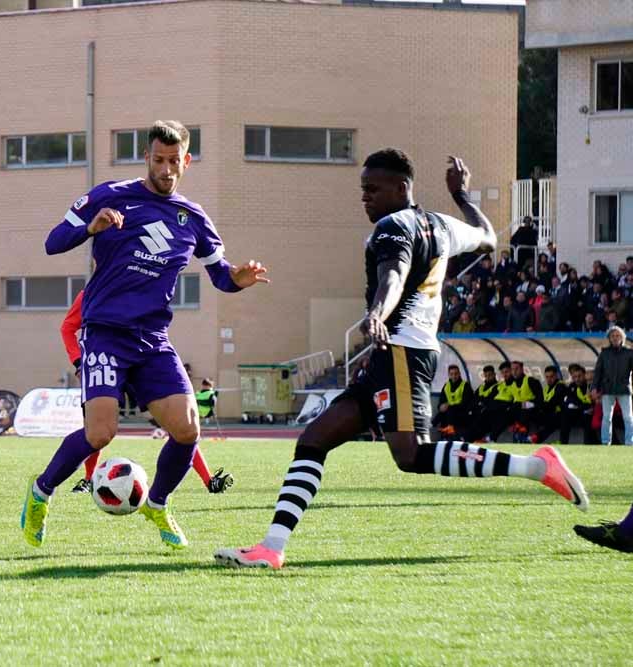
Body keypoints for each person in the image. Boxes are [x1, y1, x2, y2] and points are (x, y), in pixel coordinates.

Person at [214, 151, 588, 570]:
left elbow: (393, 274)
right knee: (314, 439)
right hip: (392, 352)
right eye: (363, 189)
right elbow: (487, 237)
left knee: (411, 456)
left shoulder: (393, 227)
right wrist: (462, 195)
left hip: (403, 351)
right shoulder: (443, 225)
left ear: (402, 188)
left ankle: (536, 466)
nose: (365, 198)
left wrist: (377, 314)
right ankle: (272, 547)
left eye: (372, 189)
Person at [22, 120, 267, 550]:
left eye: (175, 161)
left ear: (186, 161)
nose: (167, 169)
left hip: (152, 340)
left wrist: (238, 279)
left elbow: (221, 278)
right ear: (147, 158)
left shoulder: (193, 218)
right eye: (159, 160)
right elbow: (52, 243)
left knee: (188, 427)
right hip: (104, 333)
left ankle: (157, 503)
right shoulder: (109, 196)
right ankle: (40, 493)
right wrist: (89, 229)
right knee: (100, 434)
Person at [60, 291, 233, 495]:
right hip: (102, 366)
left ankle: (208, 480)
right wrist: (80, 362)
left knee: (178, 427)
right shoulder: (91, 293)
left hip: (139, 368)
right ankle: (89, 480)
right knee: (97, 429)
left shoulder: (142, 286)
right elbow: (68, 328)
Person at [591, 326, 633, 446]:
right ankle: (605, 442)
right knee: (606, 418)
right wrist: (594, 388)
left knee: (628, 417)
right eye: (612, 336)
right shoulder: (604, 353)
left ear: (622, 337)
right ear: (609, 338)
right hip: (607, 389)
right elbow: (598, 372)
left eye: (618, 335)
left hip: (624, 389)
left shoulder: (629, 352)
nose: (615, 338)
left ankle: (629, 443)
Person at [433, 364, 473, 438]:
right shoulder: (446, 386)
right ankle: (435, 426)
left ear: (459, 374)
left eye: (456, 374)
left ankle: (439, 425)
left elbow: (466, 403)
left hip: (461, 412)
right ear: (449, 375)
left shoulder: (465, 385)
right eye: (451, 374)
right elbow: (441, 400)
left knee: (449, 409)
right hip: (449, 413)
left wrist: (450, 406)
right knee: (443, 411)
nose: (454, 376)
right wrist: (441, 406)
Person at [531, 366, 567, 444]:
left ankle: (535, 438)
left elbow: (552, 403)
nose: (549, 379)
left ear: (556, 376)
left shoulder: (560, 386)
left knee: (552, 420)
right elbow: (541, 402)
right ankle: (523, 434)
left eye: (551, 376)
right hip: (548, 413)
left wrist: (538, 405)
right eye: (547, 377)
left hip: (558, 414)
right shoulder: (546, 388)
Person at [509, 360, 543, 442]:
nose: (514, 371)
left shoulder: (531, 381)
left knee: (521, 407)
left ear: (522, 369)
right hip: (519, 412)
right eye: (512, 369)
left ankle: (521, 432)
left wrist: (527, 404)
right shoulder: (512, 384)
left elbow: (540, 399)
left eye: (516, 369)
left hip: (533, 410)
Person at [561, 364, 595, 444]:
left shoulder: (591, 385)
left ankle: (588, 444)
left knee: (587, 417)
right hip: (580, 412)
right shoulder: (572, 386)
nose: (577, 379)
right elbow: (568, 401)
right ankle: (563, 443)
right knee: (565, 415)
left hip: (592, 413)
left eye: (579, 376)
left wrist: (580, 406)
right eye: (574, 377)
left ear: (584, 375)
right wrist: (582, 406)